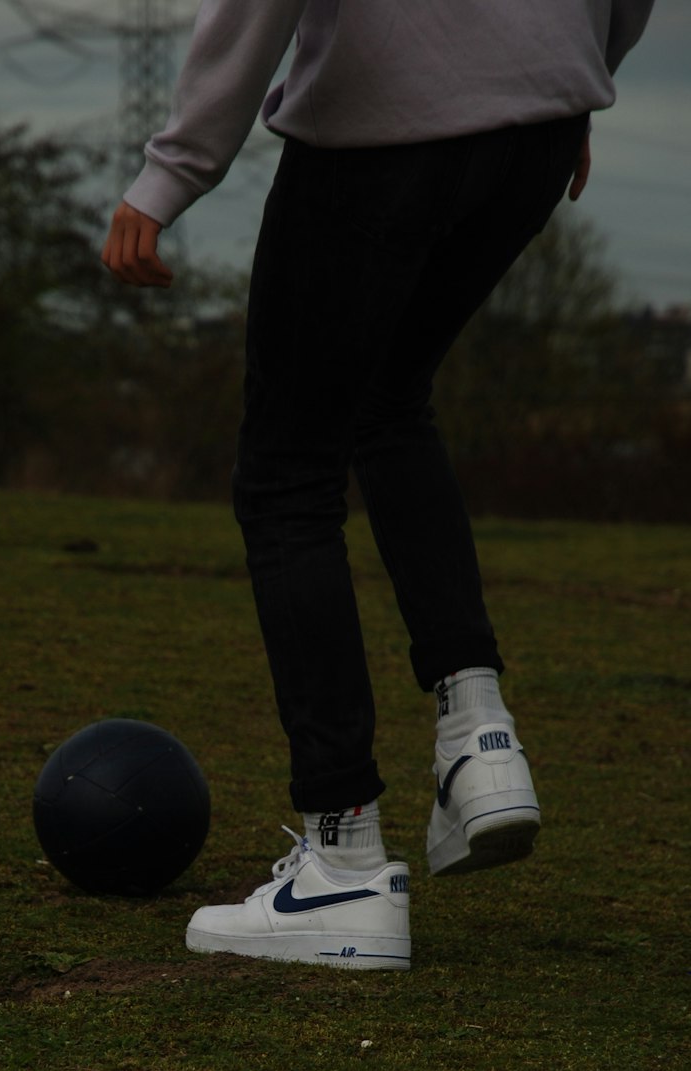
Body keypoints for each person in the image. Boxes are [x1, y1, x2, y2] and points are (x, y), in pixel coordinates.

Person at [102, 0, 655, 972]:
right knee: (389, 400)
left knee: (286, 472)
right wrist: (572, 72)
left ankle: (344, 853)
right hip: (540, 122)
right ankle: (479, 739)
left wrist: (170, 172)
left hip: (384, 124)